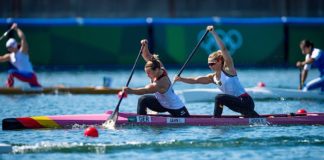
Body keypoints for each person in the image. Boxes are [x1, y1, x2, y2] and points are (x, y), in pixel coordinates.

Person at [174, 26, 259, 118]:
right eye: (208, 64)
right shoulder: (212, 78)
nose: (210, 66)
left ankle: (216, 119)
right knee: (221, 98)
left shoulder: (229, 70)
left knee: (219, 97)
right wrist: (181, 79)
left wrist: (213, 33)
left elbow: (224, 49)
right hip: (237, 105)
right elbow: (195, 80)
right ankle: (256, 117)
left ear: (219, 61)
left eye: (212, 63)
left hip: (246, 101)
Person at [122, 39, 190, 117]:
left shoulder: (161, 83)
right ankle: (142, 119)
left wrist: (130, 90)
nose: (147, 75)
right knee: (143, 100)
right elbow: (147, 56)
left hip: (176, 108)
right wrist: (145, 45)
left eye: (149, 73)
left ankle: (141, 121)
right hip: (162, 104)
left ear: (157, 70)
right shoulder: (157, 65)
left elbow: (145, 90)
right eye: (146, 73)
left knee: (143, 96)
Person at [0, 23, 41, 88]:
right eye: (7, 47)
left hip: (30, 76)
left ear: (14, 45)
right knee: (38, 88)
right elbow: (1, 59)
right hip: (26, 77)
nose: (8, 49)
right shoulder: (10, 56)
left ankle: (9, 88)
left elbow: (23, 38)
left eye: (9, 47)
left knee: (11, 72)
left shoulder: (23, 51)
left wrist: (16, 29)